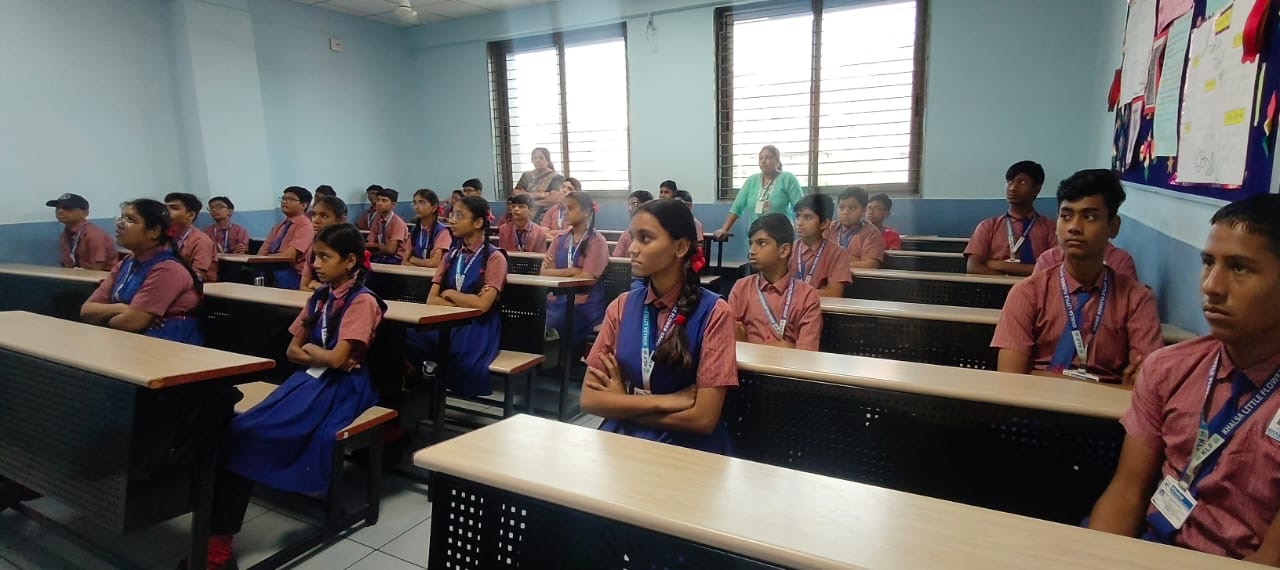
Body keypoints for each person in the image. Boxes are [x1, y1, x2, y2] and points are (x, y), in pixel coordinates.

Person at [1087, 194, 1280, 563]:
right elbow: (1127, 491)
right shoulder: (1169, 368)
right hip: (1146, 547)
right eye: (1208, 262)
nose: (1212, 286)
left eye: (1239, 268)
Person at [204, 224, 387, 570]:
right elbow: (293, 352)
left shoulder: (362, 302)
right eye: (315, 256)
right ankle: (216, 534)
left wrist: (319, 354)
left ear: (350, 261)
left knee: (249, 432)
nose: (315, 264)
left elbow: (336, 361)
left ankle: (217, 549)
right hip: (311, 380)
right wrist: (323, 355)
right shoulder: (319, 297)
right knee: (240, 426)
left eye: (324, 257)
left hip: (345, 388)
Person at [580, 198, 737, 453]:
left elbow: (703, 419)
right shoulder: (621, 306)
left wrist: (621, 405)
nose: (632, 248)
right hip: (627, 437)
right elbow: (590, 399)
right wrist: (668, 401)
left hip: (688, 446)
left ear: (680, 247)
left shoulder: (715, 313)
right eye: (632, 238)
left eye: (645, 239)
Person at [991, 169, 1161, 385]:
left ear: (1113, 227)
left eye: (1089, 217)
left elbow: (1146, 386)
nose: (1074, 227)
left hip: (1105, 414)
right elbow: (1009, 380)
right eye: (1066, 216)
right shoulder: (1027, 293)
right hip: (1032, 410)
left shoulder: (1137, 299)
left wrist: (1034, 375)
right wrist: (1114, 385)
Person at [407, 197, 508, 396]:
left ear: (478, 222)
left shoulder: (495, 258)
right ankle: (425, 383)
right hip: (449, 319)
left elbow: (482, 306)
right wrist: (464, 302)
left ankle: (439, 382)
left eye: (459, 216)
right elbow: (431, 299)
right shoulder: (451, 255)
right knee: (407, 336)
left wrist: (451, 294)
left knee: (462, 358)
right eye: (452, 214)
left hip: (478, 325)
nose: (452, 220)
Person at [79, 199, 203, 345]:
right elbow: (87, 310)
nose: (120, 224)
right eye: (121, 218)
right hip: (130, 341)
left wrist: (105, 316)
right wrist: (121, 308)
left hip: (169, 345)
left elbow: (130, 323)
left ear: (154, 232)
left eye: (130, 219)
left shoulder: (167, 269)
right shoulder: (126, 263)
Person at [729, 213, 821, 350]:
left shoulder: (807, 296)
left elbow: (806, 353)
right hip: (743, 369)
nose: (752, 251)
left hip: (787, 371)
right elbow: (727, 339)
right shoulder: (741, 288)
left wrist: (746, 342)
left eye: (762, 243)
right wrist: (788, 346)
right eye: (750, 244)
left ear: (784, 250)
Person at [964, 160, 1057, 276]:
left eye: (1022, 182)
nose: (1012, 187)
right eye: (1009, 182)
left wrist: (998, 264)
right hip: (993, 290)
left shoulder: (1051, 228)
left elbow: (1055, 270)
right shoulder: (987, 226)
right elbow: (973, 267)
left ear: (1037, 189)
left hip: (1037, 290)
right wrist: (1009, 281)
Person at [542, 191, 608, 344]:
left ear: (586, 212)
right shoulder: (559, 238)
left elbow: (588, 278)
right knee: (536, 312)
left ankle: (563, 362)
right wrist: (572, 271)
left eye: (571, 208)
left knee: (561, 316)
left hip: (586, 300)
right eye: (564, 208)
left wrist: (557, 273)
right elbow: (544, 272)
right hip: (559, 296)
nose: (565, 212)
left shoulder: (596, 241)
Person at [714, 145, 805, 243]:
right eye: (761, 158)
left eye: (768, 157)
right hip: (756, 236)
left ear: (777, 161)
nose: (763, 161)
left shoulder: (787, 178)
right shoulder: (751, 181)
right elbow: (737, 207)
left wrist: (803, 233)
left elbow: (801, 208)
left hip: (780, 236)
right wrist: (724, 229)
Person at [789, 193, 852, 298]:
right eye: (798, 216)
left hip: (822, 311)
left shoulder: (837, 253)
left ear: (824, 223)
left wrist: (794, 293)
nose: (799, 223)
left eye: (807, 217)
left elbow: (834, 294)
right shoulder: (788, 249)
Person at [257, 186, 315, 290]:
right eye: (283, 199)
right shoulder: (279, 226)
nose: (284, 202)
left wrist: (264, 258)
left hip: (294, 273)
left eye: (291, 199)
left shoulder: (305, 226)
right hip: (274, 267)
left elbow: (289, 256)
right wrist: (260, 259)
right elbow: (263, 250)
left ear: (303, 205)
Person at [46, 193, 113, 270]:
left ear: (84, 213)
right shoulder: (65, 235)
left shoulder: (94, 236)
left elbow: (97, 270)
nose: (60, 211)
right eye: (57, 208)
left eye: (67, 208)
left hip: (102, 279)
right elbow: (67, 265)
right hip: (77, 278)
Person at [826, 186, 886, 270]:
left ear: (864, 210)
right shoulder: (828, 228)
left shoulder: (872, 233)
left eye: (852, 208)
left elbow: (871, 264)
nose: (845, 212)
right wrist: (855, 260)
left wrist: (835, 263)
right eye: (841, 207)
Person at [165, 192, 217, 282]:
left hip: (197, 290)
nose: (166, 212)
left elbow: (198, 276)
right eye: (165, 208)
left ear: (190, 215)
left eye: (174, 208)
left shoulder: (201, 241)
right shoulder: (165, 236)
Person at [300, 195, 348, 291]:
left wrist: (318, 286)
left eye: (324, 216)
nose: (316, 220)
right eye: (313, 215)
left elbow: (345, 292)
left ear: (341, 219)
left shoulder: (350, 248)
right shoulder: (314, 249)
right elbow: (303, 287)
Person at [405, 189, 452, 267]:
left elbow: (433, 263)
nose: (416, 207)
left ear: (433, 207)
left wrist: (413, 259)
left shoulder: (442, 231)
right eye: (415, 203)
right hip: (414, 274)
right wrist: (423, 264)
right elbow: (404, 261)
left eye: (422, 202)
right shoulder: (415, 230)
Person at [366, 187, 409, 265]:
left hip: (396, 259)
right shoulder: (377, 219)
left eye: (384, 201)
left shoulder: (398, 223)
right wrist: (375, 246)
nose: (379, 203)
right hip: (380, 256)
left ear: (393, 204)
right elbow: (370, 242)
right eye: (378, 200)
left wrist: (377, 246)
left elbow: (391, 250)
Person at [514, 147, 565, 213]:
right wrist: (540, 195)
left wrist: (528, 200)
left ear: (547, 160)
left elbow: (554, 199)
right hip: (526, 215)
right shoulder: (526, 175)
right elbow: (515, 193)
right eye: (535, 158)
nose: (538, 160)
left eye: (541, 158)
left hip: (545, 215)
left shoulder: (556, 177)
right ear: (532, 160)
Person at [613, 190, 655, 257]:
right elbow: (616, 258)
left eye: (635, 204)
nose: (631, 209)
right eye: (629, 205)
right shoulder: (626, 234)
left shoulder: (656, 232)